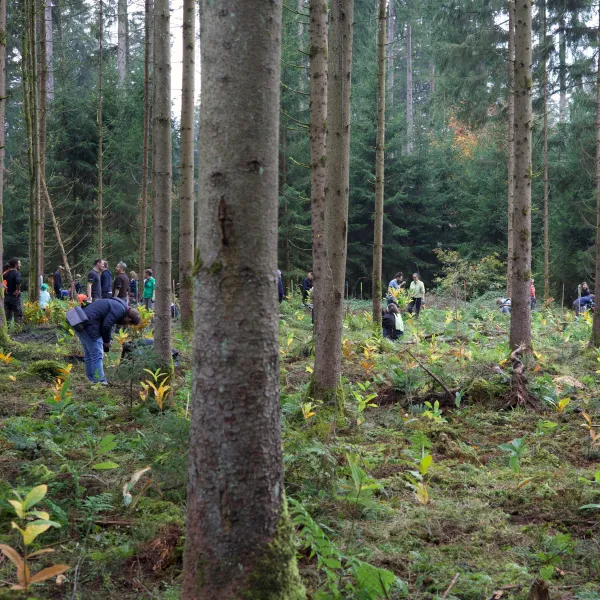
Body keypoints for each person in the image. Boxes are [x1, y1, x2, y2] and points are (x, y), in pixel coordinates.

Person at [76, 297, 140, 384]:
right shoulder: (120, 310)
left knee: (89, 354)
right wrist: (106, 341)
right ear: (129, 319)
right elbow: (106, 325)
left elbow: (106, 321)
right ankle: (100, 382)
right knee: (97, 354)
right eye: (128, 324)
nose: (126, 325)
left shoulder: (120, 304)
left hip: (80, 320)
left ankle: (91, 379)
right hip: (89, 323)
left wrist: (109, 338)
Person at [4, 258, 23, 324]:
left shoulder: (6, 273)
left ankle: (7, 330)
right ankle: (17, 330)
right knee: (18, 314)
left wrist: (3, 286)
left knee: (7, 315)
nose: (20, 265)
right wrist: (18, 289)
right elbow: (18, 281)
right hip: (15, 297)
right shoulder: (17, 273)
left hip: (7, 297)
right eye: (19, 263)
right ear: (15, 265)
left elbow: (1, 279)